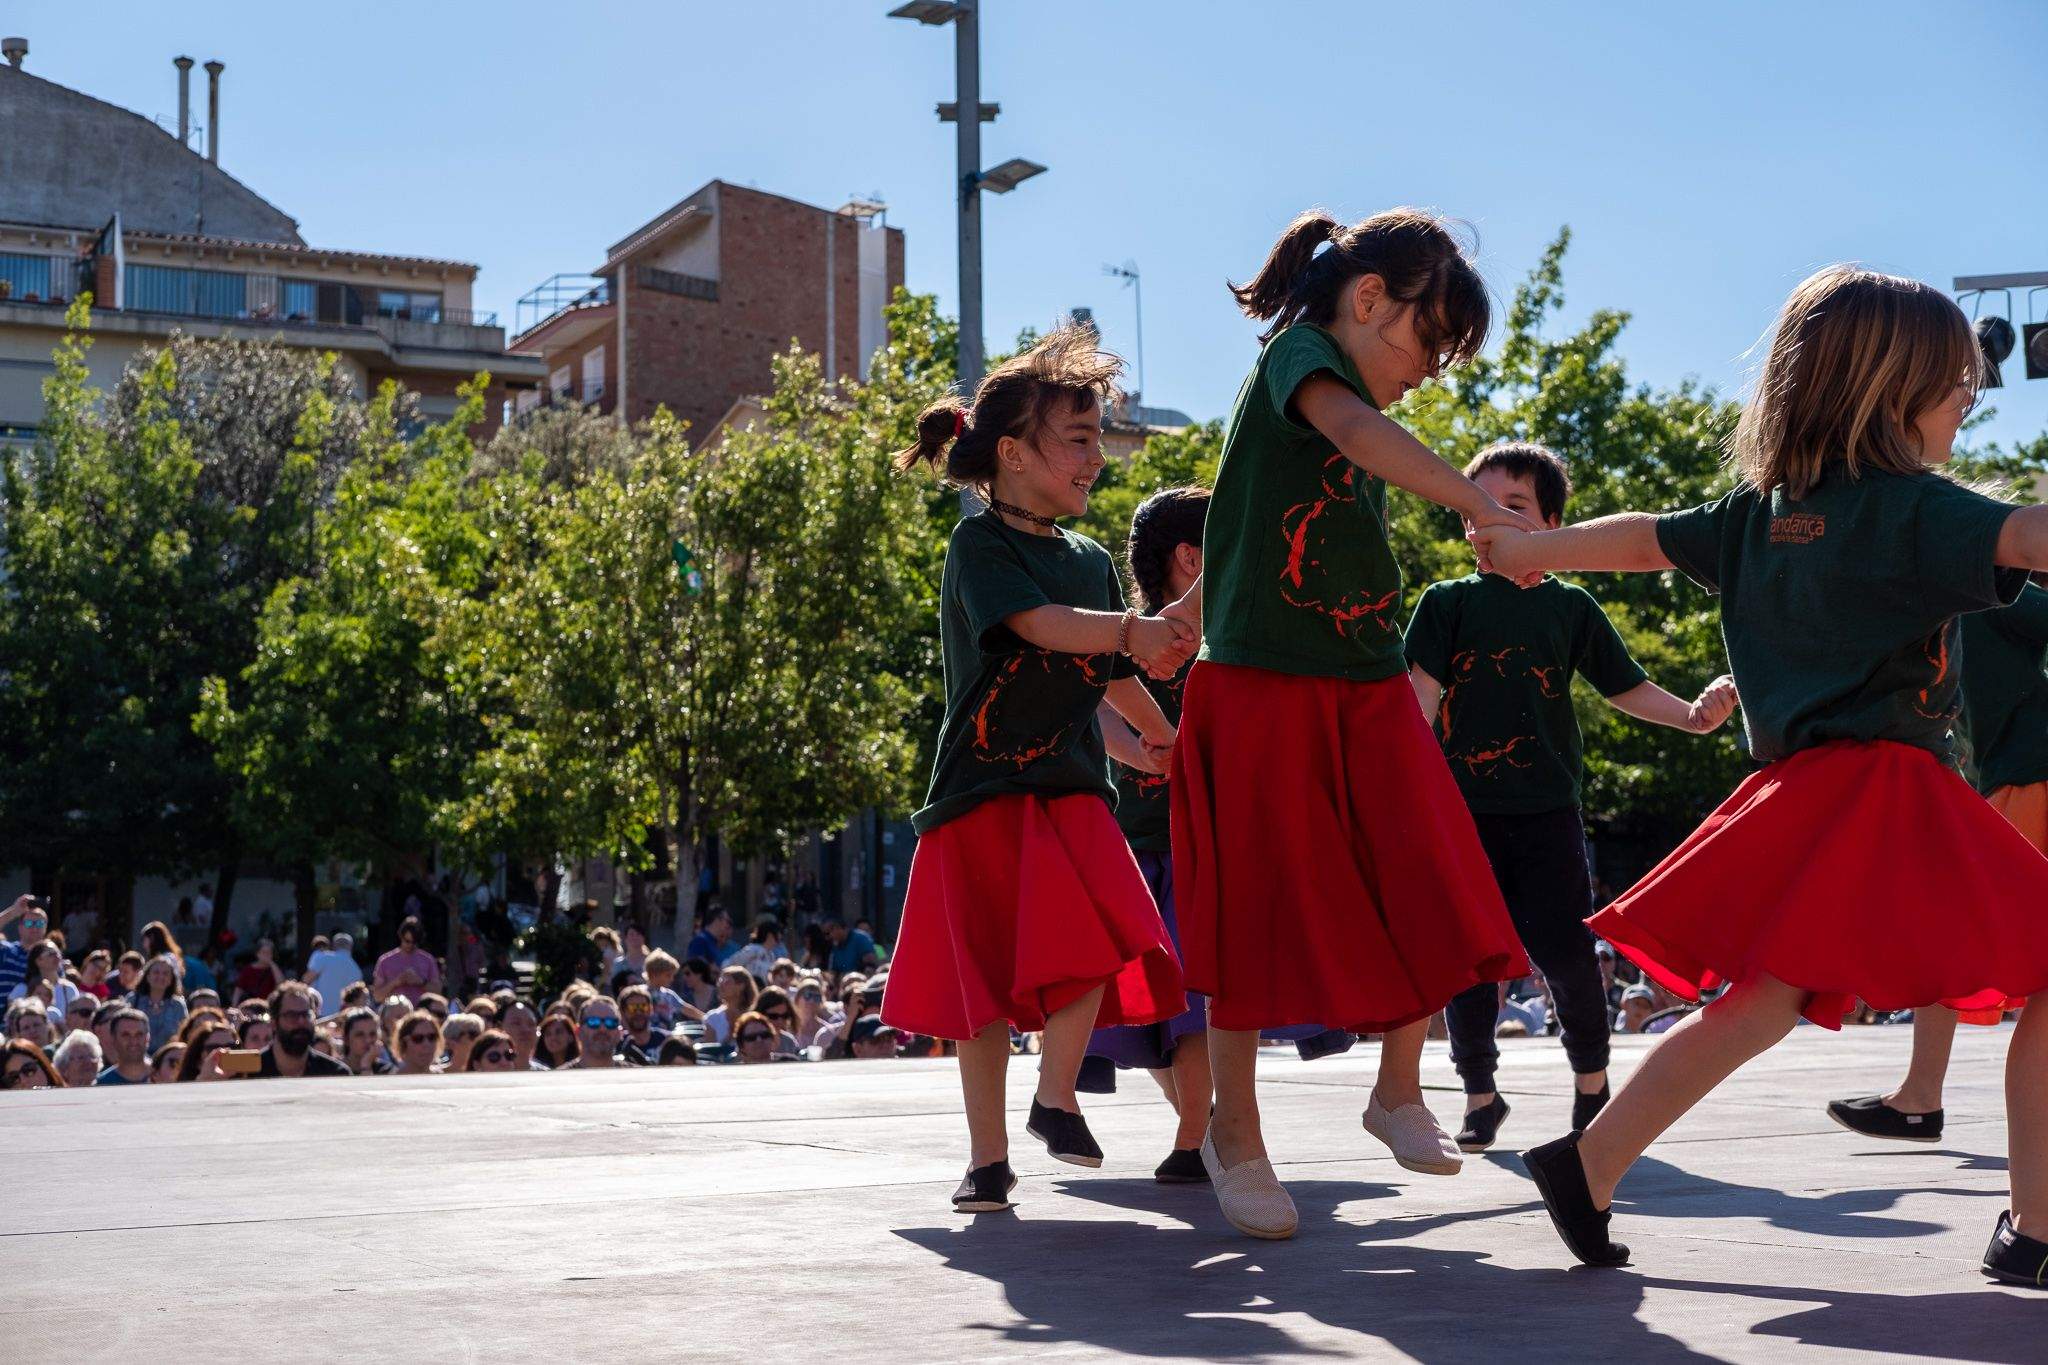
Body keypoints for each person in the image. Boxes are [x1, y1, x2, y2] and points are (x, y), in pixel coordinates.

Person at [1470, 266, 2048, 1286]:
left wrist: (1534, 549)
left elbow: (1643, 538)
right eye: (1955, 381)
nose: (1967, 397)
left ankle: (1588, 1160)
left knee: (1760, 1000)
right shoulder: (1916, 510)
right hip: (1885, 794)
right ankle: (2035, 1228)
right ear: (1892, 388)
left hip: (1802, 793)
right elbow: (2029, 535)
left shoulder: (1758, 510)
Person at [1171, 208, 1531, 1239]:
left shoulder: (1348, 387)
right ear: (1369, 299)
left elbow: (1251, 522)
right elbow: (1355, 435)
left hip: (1362, 677)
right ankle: (1231, 1132)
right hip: (1259, 681)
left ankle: (1395, 1089)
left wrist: (1174, 621)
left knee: (1429, 868)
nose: (1428, 372)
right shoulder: (1303, 357)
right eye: (1427, 344)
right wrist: (1474, 502)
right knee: (1248, 914)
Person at [884, 323, 1189, 1214]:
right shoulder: (979, 546)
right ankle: (987, 1160)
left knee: (1107, 931)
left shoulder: (1093, 559)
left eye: (1100, 438)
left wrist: (1162, 736)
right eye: (1080, 439)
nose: (1097, 457)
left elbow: (1112, 673)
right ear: (1013, 455)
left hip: (1069, 788)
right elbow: (1042, 627)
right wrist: (1134, 631)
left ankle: (1055, 1098)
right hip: (980, 789)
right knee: (977, 988)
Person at [1404, 440, 1740, 1152]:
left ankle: (1592, 1081)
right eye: (1477, 508)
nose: (1489, 521)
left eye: (1513, 506)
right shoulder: (1445, 603)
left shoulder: (1572, 607)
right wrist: (1405, 786)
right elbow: (1419, 704)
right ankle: (1479, 1094)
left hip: (1548, 811)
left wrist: (1691, 713)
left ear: (1554, 525)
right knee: (1470, 959)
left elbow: (1626, 685)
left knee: (1564, 952)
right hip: (1463, 815)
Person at [1826, 581, 2048, 1143]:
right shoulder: (1962, 602)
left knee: (1956, 936)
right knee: (1954, 937)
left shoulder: (1990, 593)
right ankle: (1919, 1098)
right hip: (2015, 778)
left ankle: (1921, 1098)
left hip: (2031, 778)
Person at [1080, 487, 1221, 1183]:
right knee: (1155, 1018)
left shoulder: (1227, 641)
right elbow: (1098, 703)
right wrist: (1134, 748)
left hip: (1199, 854)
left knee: (1189, 1012)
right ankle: (1206, 1125)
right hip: (1139, 851)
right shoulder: (1131, 639)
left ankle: (1198, 1135)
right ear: (1190, 557)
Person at [255, 982, 350, 1078]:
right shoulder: (250, 1071)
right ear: (274, 1023)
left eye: (306, 1015)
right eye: (292, 1015)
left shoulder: (335, 1075)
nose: (301, 1021)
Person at [128, 954, 188, 1053]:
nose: (160, 976)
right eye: (156, 972)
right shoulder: (133, 1000)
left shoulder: (178, 1005)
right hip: (136, 1057)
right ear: (147, 976)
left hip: (167, 1060)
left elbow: (184, 1035)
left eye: (165, 973)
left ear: (171, 980)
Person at [373, 918, 440, 1004]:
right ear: (401, 937)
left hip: (420, 1013)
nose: (410, 945)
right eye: (407, 941)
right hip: (394, 1013)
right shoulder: (385, 961)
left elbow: (438, 992)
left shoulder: (428, 960)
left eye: (414, 942)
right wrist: (396, 982)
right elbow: (377, 996)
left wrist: (420, 982)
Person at [0, 895, 51, 999]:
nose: (34, 927)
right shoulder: (7, 951)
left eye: (40, 923)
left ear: (45, 928)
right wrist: (13, 912)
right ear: (20, 928)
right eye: (29, 923)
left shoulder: (52, 958)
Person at [304, 934, 365, 1014]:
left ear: (333, 946)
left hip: (320, 1013)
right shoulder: (357, 970)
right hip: (343, 1016)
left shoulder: (323, 958)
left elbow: (306, 980)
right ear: (351, 947)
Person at [701, 964, 760, 1046]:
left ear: (741, 986)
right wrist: (730, 1036)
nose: (720, 985)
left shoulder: (755, 1016)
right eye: (720, 981)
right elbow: (711, 1052)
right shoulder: (712, 1018)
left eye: (726, 982)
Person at [95, 1008, 153, 1085]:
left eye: (139, 1034)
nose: (133, 1041)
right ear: (113, 1038)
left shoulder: (164, 1077)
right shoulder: (102, 1084)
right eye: (126, 1035)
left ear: (148, 1038)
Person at [174, 1012, 238, 1082]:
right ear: (198, 1059)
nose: (224, 1051)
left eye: (232, 1046)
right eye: (213, 1048)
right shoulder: (180, 1090)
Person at [615, 985, 667, 1065]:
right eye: (633, 1008)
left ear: (651, 1009)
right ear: (622, 1012)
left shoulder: (666, 1041)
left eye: (643, 1007)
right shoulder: (615, 1044)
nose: (638, 1012)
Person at [644, 951, 696, 1030]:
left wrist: (706, 1018)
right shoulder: (641, 994)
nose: (672, 979)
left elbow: (685, 1008)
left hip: (666, 1036)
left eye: (672, 975)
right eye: (668, 975)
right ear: (654, 974)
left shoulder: (668, 995)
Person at [572, 996, 624, 1068]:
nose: (603, 1029)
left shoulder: (637, 1076)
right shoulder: (558, 1077)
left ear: (620, 1033)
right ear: (578, 1031)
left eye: (611, 1022)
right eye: (593, 1021)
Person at [729, 918, 786, 982]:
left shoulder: (771, 955)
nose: (777, 943)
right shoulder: (752, 950)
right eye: (777, 939)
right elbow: (730, 963)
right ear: (769, 936)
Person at [386, 1009, 441, 1076]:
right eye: (418, 1038)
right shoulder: (391, 1081)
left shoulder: (443, 1079)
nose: (426, 1044)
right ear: (403, 1043)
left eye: (432, 1037)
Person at [233, 939, 285, 1007]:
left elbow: (281, 984)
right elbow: (239, 989)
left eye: (269, 953)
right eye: (264, 952)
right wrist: (234, 1006)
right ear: (258, 954)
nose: (266, 955)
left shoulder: (274, 969)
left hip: (267, 1006)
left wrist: (271, 964)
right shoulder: (248, 970)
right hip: (251, 1006)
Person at [499, 1000, 543, 1070]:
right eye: (516, 1023)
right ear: (500, 1028)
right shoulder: (491, 1074)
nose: (525, 1030)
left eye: (531, 1024)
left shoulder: (547, 1076)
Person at [337, 1006, 382, 1075]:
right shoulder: (334, 1070)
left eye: (372, 1034)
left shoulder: (386, 1071)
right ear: (346, 1039)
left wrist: (366, 1064)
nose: (368, 1040)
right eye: (360, 1035)